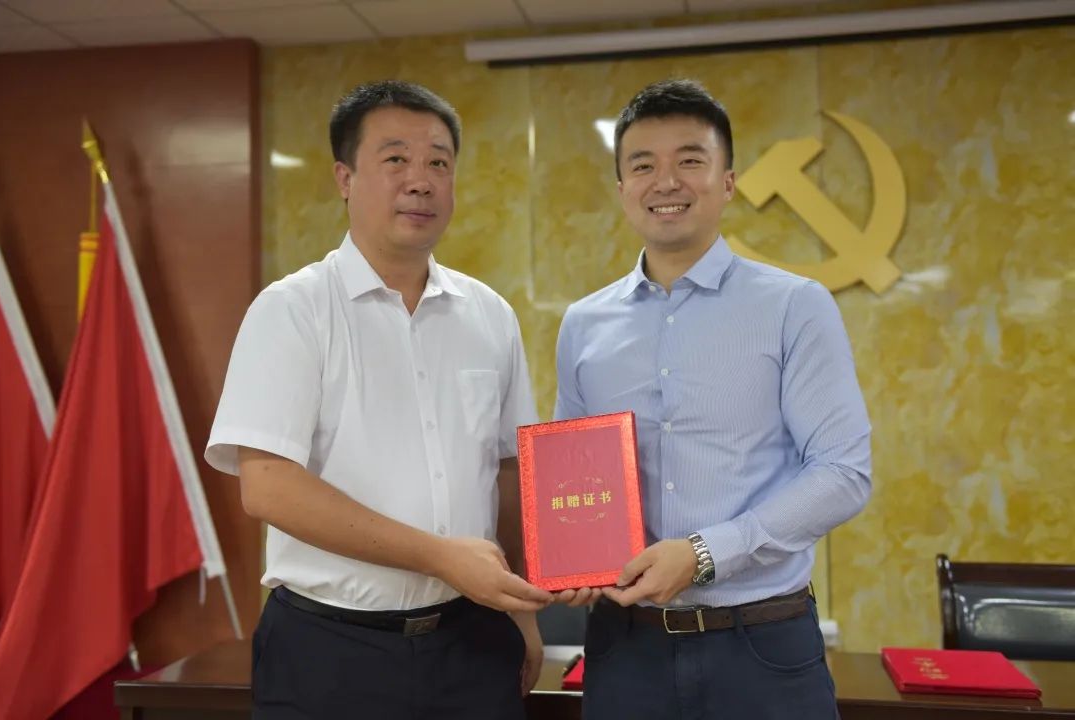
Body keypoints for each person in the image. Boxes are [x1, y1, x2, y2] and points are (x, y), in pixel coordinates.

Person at [206, 80, 552, 720]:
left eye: (439, 163)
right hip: (331, 650)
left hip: (473, 643)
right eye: (396, 159)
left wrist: (521, 610)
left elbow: (507, 471)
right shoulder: (292, 310)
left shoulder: (490, 315)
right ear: (345, 178)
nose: (420, 181)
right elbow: (268, 488)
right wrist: (440, 557)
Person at [553, 79, 872, 719]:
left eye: (690, 160)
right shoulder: (583, 324)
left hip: (761, 644)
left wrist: (703, 554)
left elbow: (843, 473)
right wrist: (574, 560)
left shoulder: (794, 306)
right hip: (625, 648)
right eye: (643, 165)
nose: (666, 182)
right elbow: (575, 473)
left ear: (727, 182)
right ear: (622, 187)